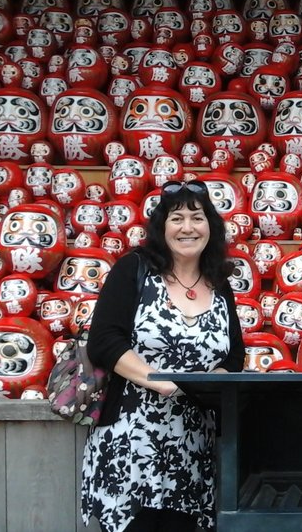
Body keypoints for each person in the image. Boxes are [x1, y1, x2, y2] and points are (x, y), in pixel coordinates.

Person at [82, 179, 245, 532]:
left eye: (197, 218)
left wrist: (210, 384)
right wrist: (164, 384)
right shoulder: (134, 269)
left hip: (194, 442)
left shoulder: (219, 283)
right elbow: (105, 341)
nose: (188, 227)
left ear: (211, 227)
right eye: (177, 218)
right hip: (131, 438)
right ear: (161, 227)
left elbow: (234, 356)